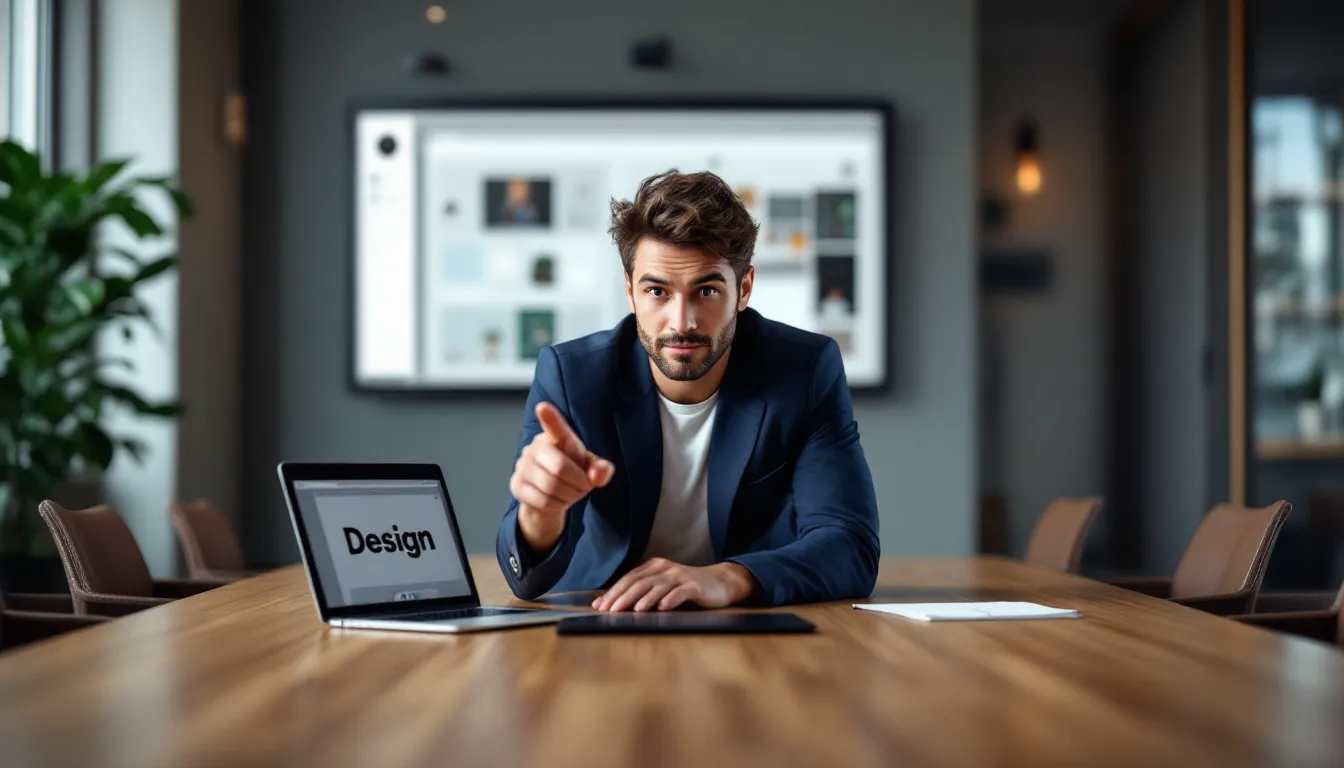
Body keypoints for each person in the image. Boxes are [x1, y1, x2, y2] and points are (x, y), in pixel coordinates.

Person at [495, 169, 879, 611]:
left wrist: (730, 578)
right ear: (630, 292)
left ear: (743, 289)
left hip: (747, 623)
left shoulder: (804, 370)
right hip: (605, 612)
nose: (682, 322)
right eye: (657, 291)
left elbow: (850, 545)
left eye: (707, 291)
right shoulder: (573, 375)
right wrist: (541, 513)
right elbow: (526, 581)